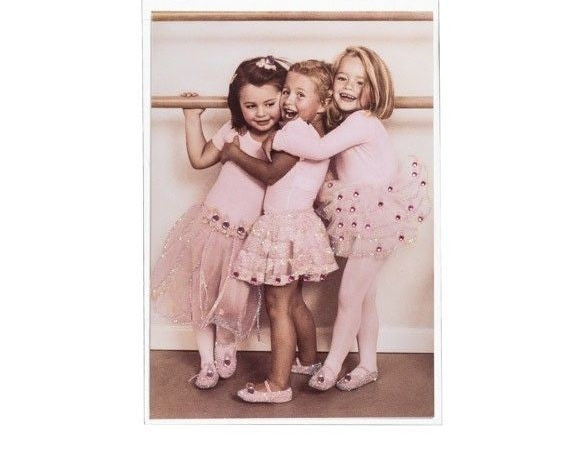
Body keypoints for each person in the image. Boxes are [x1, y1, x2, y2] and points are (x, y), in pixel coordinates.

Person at [269, 47, 430, 391]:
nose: (348, 87)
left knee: (348, 296)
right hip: (363, 214)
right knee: (364, 296)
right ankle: (368, 364)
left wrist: (279, 135)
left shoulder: (362, 121)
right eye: (342, 78)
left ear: (375, 89)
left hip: (376, 215)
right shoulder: (347, 121)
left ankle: (331, 367)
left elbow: (318, 151)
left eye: (360, 82)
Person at [151, 56, 287, 388]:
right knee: (202, 293)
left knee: (232, 298)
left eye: (269, 103)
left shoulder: (286, 140)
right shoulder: (233, 131)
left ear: (283, 99)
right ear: (238, 106)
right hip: (212, 227)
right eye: (251, 105)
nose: (261, 113)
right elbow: (199, 159)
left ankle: (226, 345)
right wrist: (191, 117)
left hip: (248, 236)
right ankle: (206, 362)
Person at [220, 60, 338, 403]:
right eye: (286, 91)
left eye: (301, 95)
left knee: (278, 307)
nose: (288, 100)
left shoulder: (296, 133)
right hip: (297, 222)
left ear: (323, 104)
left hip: (284, 225)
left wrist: (234, 153)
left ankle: (277, 385)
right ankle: (309, 361)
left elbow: (271, 174)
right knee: (294, 301)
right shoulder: (310, 133)